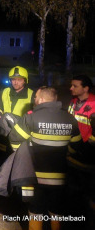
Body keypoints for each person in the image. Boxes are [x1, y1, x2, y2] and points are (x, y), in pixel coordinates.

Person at [8, 86, 81, 230]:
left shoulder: (30, 118)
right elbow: (76, 147)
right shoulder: (70, 119)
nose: (34, 99)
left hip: (35, 177)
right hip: (60, 177)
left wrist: (23, 155)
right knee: (56, 210)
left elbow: (14, 139)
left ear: (41, 100)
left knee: (35, 210)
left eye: (35, 97)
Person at [66, 74, 95, 228]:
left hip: (88, 159)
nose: (71, 88)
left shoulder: (94, 104)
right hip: (72, 155)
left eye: (75, 86)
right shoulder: (73, 102)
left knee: (87, 197)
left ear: (86, 88)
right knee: (72, 195)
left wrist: (87, 148)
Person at [0, 66, 34, 169]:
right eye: (13, 79)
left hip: (20, 137)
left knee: (18, 166)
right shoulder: (4, 92)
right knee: (1, 163)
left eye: (19, 80)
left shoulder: (31, 95)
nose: (15, 82)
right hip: (3, 135)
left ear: (25, 80)